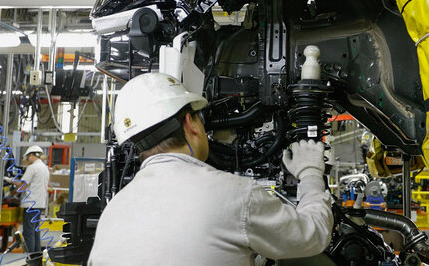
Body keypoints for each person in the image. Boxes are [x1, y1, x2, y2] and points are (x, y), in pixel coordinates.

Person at [88, 73, 333, 266]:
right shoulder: (236, 196)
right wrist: (310, 173)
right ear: (190, 123)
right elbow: (312, 235)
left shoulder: (113, 213)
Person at [16, 145, 50, 253]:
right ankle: (37, 256)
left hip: (30, 204)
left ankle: (30, 257)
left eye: (28, 157)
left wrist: (10, 181)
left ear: (31, 156)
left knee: (28, 232)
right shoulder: (45, 168)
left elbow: (23, 186)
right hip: (39, 204)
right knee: (35, 232)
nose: (27, 160)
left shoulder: (32, 168)